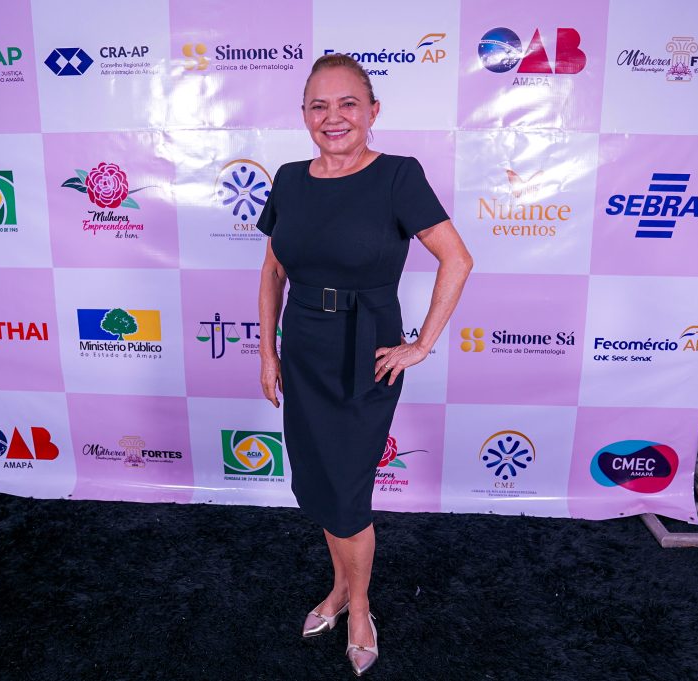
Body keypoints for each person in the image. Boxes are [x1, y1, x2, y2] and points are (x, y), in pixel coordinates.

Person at [255, 53, 472, 676]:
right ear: (304, 114)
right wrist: (267, 350)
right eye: (319, 106)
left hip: (364, 354)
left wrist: (420, 344)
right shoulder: (289, 179)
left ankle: (360, 609)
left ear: (373, 111)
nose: (334, 117)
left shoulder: (398, 175)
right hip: (304, 348)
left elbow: (457, 259)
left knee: (348, 492)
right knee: (321, 485)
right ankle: (339, 589)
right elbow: (273, 269)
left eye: (348, 104)